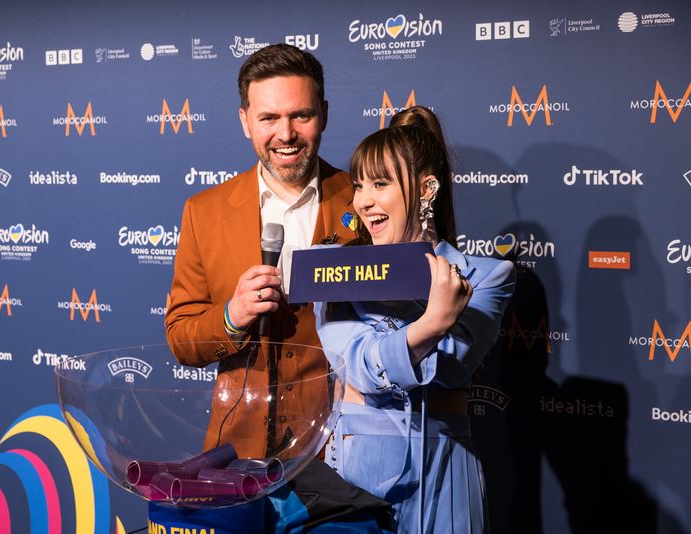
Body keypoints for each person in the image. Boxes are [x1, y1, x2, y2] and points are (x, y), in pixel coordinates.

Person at [314, 107, 516, 533]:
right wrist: (433, 323)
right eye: (359, 185)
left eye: (380, 184)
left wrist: (439, 323)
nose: (363, 200)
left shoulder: (487, 275)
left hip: (446, 474)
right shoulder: (335, 273)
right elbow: (360, 367)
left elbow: (451, 367)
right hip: (356, 472)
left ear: (426, 189)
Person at [165, 44, 354, 459]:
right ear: (245, 121)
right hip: (237, 456)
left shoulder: (364, 203)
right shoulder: (204, 212)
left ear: (323, 113)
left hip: (342, 453)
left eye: (300, 116)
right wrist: (232, 317)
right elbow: (181, 338)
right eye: (269, 117)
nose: (285, 135)